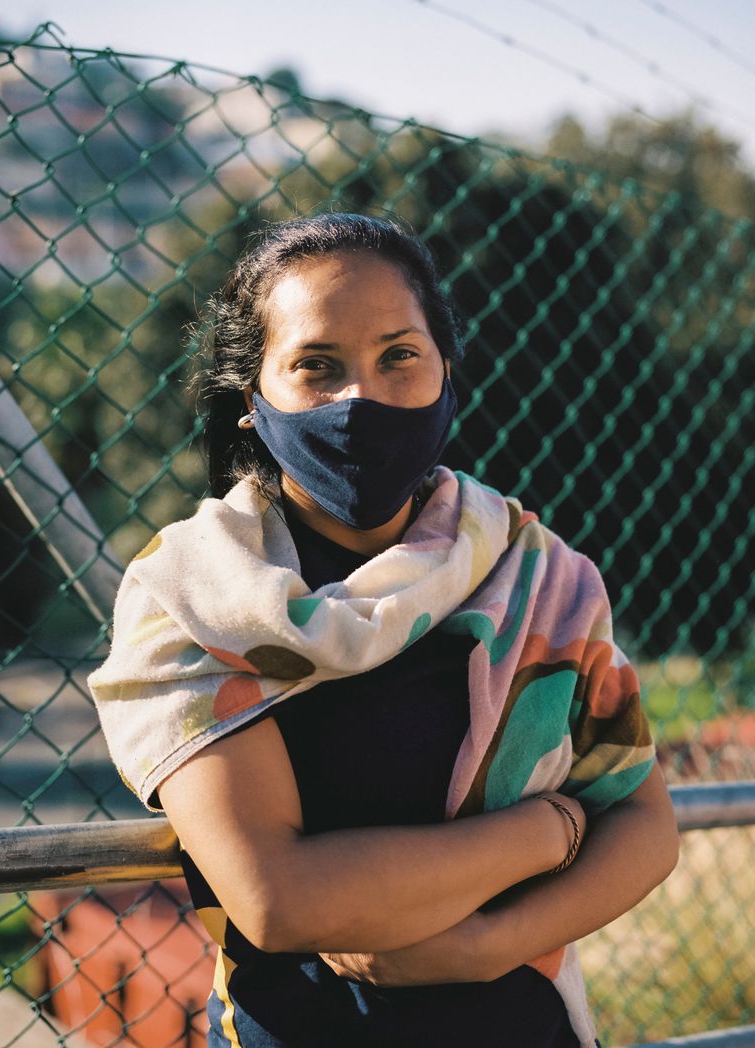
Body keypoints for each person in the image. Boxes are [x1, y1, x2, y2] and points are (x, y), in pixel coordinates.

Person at [88, 212, 679, 1048]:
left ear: (447, 373)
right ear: (252, 399)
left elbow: (645, 824)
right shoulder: (193, 599)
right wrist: (549, 831)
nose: (361, 397)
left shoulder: (536, 576)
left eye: (399, 355)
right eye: (316, 367)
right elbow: (279, 898)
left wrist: (489, 945)